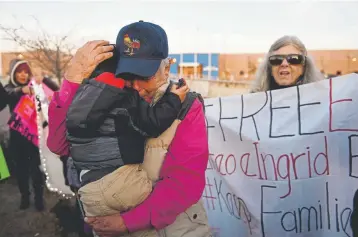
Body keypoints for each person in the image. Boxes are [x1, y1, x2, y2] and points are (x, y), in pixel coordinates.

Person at [48, 22, 211, 237]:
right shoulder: (109, 94)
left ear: (167, 67)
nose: (135, 86)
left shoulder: (187, 105)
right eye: (127, 74)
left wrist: (128, 222)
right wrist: (71, 82)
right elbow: (59, 144)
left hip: (176, 230)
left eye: (145, 76)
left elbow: (185, 181)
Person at [4, 59, 58, 211]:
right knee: (21, 170)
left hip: (34, 137)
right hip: (16, 137)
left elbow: (55, 89)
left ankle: (39, 199)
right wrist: (22, 91)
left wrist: (44, 78)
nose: (23, 74)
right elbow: (8, 94)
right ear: (14, 73)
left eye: (26, 71)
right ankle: (25, 197)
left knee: (36, 169)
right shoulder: (10, 88)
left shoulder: (34, 85)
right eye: (19, 71)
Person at [250, 35, 324, 93]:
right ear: (270, 69)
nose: (284, 64)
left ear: (304, 68)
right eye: (276, 59)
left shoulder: (319, 99)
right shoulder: (255, 100)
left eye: (294, 59)